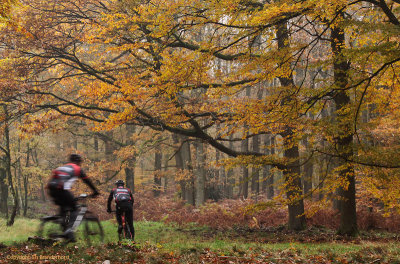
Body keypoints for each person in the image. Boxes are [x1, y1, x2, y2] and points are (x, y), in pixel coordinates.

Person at [47, 154, 99, 242]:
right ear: (78, 162)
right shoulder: (77, 168)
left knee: (64, 208)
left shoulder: (62, 167)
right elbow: (87, 181)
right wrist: (95, 191)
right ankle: (69, 231)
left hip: (51, 189)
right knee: (75, 209)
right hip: (62, 190)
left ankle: (63, 233)